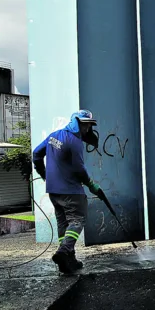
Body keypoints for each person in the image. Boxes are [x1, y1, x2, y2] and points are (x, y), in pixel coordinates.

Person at [32, 110, 103, 275]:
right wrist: (90, 184)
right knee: (77, 220)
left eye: (89, 125)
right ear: (76, 123)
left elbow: (36, 154)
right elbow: (79, 168)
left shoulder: (53, 136)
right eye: (85, 125)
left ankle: (69, 260)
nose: (87, 129)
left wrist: (45, 175)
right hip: (71, 190)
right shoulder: (74, 141)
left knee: (64, 223)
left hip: (53, 191)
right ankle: (64, 252)